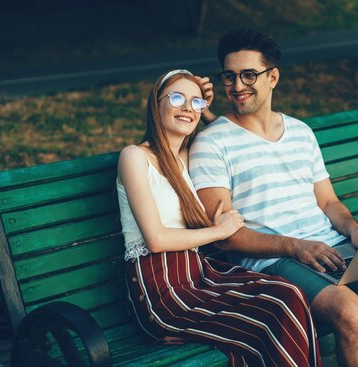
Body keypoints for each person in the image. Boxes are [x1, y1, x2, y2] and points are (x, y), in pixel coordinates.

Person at [189, 28, 358, 367]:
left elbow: (328, 203)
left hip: (330, 247)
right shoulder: (212, 142)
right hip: (274, 262)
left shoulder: (300, 132)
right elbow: (226, 237)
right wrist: (295, 246)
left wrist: (354, 230)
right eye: (230, 76)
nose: (238, 86)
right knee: (349, 309)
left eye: (249, 74)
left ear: (273, 77)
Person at [117, 68, 321, 367]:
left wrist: (208, 112)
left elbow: (225, 138)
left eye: (195, 102)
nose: (188, 108)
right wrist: (219, 231)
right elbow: (156, 239)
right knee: (275, 308)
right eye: (177, 98)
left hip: (198, 277)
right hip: (162, 292)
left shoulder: (185, 158)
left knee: (288, 292)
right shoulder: (134, 156)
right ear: (156, 104)